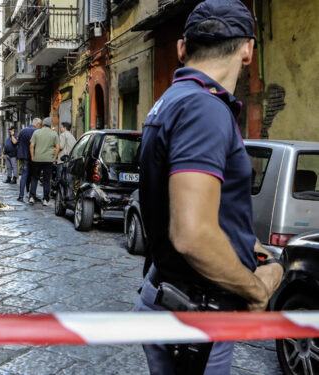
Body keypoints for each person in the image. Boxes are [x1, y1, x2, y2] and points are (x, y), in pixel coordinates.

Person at [134, 1, 284, 374]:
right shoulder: (204, 107)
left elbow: (191, 207)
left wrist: (245, 243)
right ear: (248, 49)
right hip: (197, 315)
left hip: (172, 296)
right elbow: (192, 234)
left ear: (182, 48)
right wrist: (255, 289)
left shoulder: (171, 101)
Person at [29, 117, 59, 206]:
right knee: (46, 180)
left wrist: (32, 156)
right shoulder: (54, 134)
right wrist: (54, 158)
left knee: (34, 178)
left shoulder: (36, 132)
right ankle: (46, 199)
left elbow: (31, 145)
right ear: (50, 125)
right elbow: (57, 147)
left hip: (37, 159)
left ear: (42, 124)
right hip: (48, 160)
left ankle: (32, 197)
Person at [16, 118, 40, 202]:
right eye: (39, 124)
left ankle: (21, 195)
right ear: (37, 124)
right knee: (34, 176)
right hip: (33, 156)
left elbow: (18, 142)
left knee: (24, 175)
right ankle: (32, 196)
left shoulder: (23, 131)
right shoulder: (36, 131)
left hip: (24, 156)